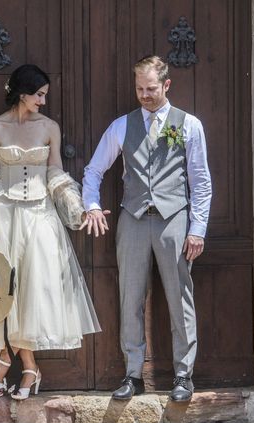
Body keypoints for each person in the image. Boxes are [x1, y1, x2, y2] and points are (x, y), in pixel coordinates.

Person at [0, 64, 101, 400]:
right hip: (4, 216)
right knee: (2, 293)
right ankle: (17, 360)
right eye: (39, 94)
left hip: (41, 218)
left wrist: (80, 211)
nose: (43, 101)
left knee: (32, 294)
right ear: (22, 93)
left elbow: (56, 176)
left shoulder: (49, 127)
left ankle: (14, 361)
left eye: (45, 95)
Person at [81, 55, 212, 402]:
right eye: (139, 88)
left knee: (178, 296)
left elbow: (201, 182)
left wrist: (197, 228)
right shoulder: (122, 126)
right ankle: (132, 373)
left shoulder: (188, 125)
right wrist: (91, 206)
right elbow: (94, 171)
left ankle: (184, 375)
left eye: (151, 88)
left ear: (166, 85)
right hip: (134, 218)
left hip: (175, 220)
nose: (144, 95)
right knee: (131, 296)